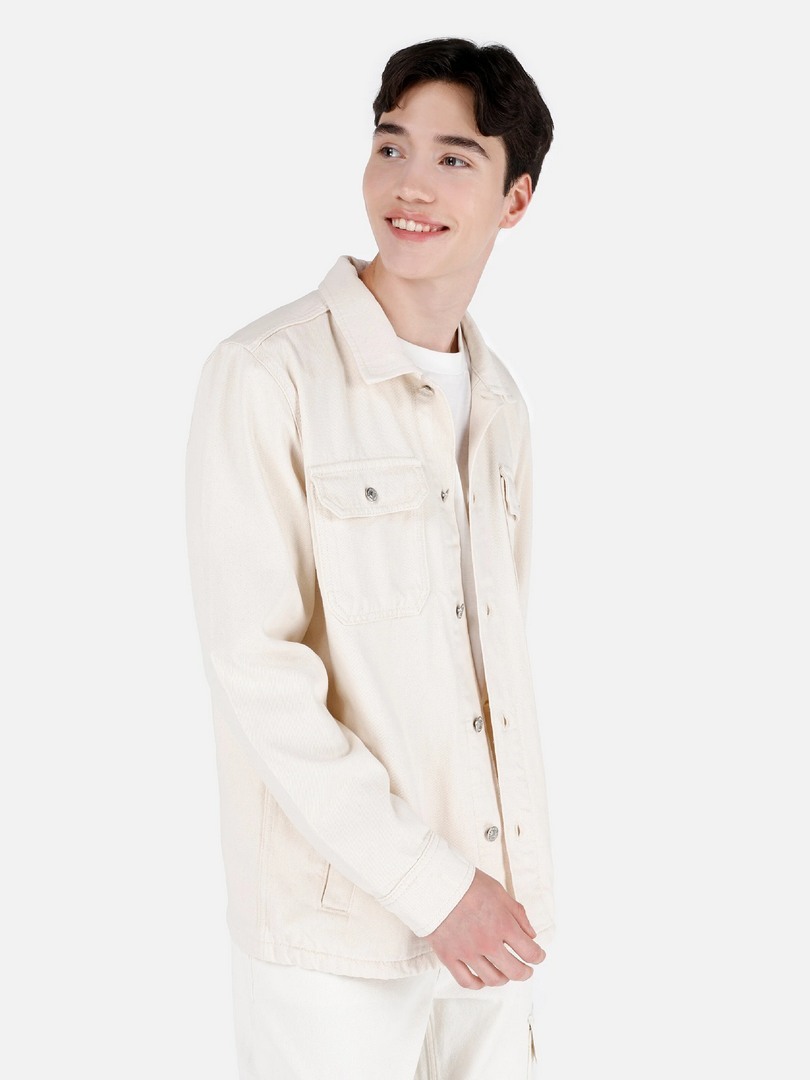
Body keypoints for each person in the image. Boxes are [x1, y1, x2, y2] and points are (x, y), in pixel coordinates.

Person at [185, 36, 555, 1079]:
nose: (408, 185)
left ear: (515, 199)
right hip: (335, 945)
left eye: (452, 158)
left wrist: (499, 889)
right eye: (391, 146)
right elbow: (259, 674)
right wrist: (434, 889)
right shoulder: (268, 374)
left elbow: (493, 672)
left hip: (492, 928)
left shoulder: (502, 405)